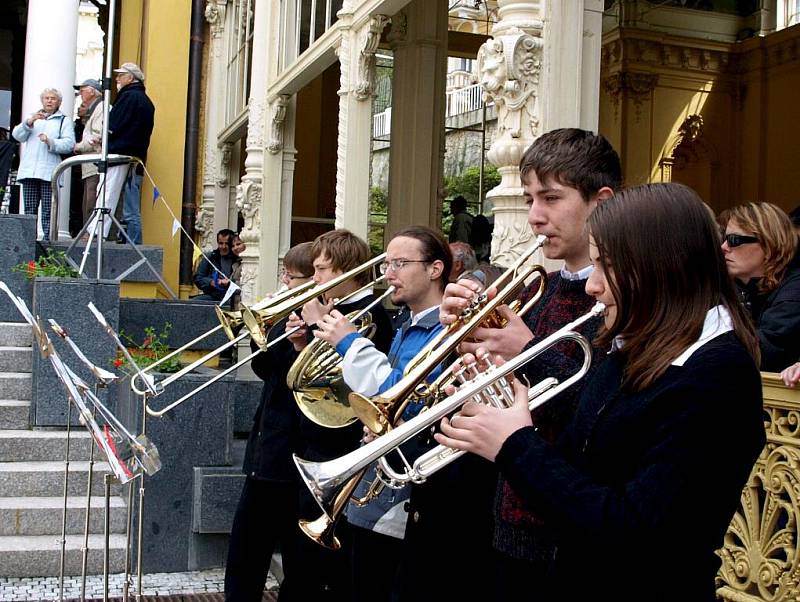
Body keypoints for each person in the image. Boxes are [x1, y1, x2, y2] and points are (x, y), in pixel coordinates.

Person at [436, 182, 766, 602]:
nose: (592, 286)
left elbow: (636, 531)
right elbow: (580, 468)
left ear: (663, 265)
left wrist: (515, 445)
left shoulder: (718, 373)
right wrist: (501, 408)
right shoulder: (630, 346)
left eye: (606, 266)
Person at [416, 128, 621, 602]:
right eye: (529, 199)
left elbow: (600, 413)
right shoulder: (537, 289)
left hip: (570, 529)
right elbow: (492, 391)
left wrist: (528, 348)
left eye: (551, 198)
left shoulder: (617, 300)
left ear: (601, 201)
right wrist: (460, 336)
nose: (534, 216)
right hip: (507, 515)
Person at [310, 225, 451, 602]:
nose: (388, 273)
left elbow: (405, 395)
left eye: (400, 263)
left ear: (435, 269)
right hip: (380, 490)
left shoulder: (444, 329)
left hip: (403, 496)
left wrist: (348, 341)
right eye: (387, 263)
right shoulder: (407, 326)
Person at [285, 229, 394, 601]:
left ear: (348, 269)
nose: (315, 279)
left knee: (324, 569)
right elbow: (296, 381)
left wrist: (317, 325)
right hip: (311, 444)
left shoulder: (373, 315)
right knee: (300, 564)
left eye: (322, 270)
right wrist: (300, 342)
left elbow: (353, 387)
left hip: (339, 447)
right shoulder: (333, 311)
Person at [224, 242, 314, 602]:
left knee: (290, 555)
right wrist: (269, 328)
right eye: (284, 273)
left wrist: (297, 343)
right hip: (266, 445)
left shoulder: (321, 321)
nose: (283, 281)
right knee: (244, 552)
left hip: (291, 451)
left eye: (289, 275)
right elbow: (264, 368)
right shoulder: (289, 314)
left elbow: (297, 378)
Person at [720, 202, 800, 372]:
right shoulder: (731, 285)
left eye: (734, 240)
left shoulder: (794, 290)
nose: (724, 247)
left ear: (769, 244)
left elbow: (765, 352)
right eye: (724, 239)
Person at [88, 62, 154, 244]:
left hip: (120, 154)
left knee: (107, 193)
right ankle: (128, 240)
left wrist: (104, 139)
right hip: (133, 157)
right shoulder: (143, 99)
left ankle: (97, 232)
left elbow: (114, 125)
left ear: (130, 78)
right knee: (129, 204)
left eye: (120, 75)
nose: (117, 79)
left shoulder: (129, 97)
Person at [11, 87, 75, 240]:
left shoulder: (64, 120)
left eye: (53, 98)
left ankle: (48, 242)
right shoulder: (33, 118)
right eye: (46, 98)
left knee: (48, 210)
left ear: (59, 102)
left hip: (49, 172)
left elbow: (69, 144)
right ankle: (28, 241)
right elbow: (17, 136)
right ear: (42, 100)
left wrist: (50, 141)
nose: (49, 101)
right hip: (30, 171)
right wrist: (29, 122)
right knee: (29, 210)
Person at [72, 79, 104, 229]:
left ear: (92, 91)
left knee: (92, 198)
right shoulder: (95, 109)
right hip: (91, 161)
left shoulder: (101, 108)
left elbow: (97, 136)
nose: (80, 94)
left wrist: (79, 146)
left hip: (95, 160)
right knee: (87, 198)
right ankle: (88, 231)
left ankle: (90, 232)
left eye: (83, 90)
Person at [193, 228, 237, 303]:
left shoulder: (237, 259)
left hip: (231, 297)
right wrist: (211, 282)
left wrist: (229, 282)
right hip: (212, 296)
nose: (223, 247)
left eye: (227, 244)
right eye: (221, 243)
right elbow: (198, 278)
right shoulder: (209, 257)